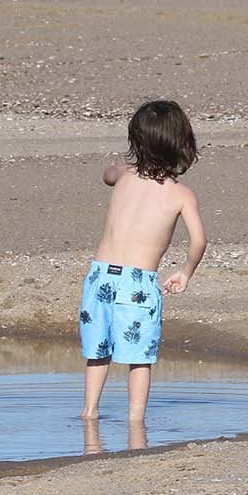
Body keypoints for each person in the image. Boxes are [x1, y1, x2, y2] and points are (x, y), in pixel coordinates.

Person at [78, 99, 207, 426]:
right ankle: (136, 424)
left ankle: (89, 412)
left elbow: (107, 174)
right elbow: (199, 241)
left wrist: (115, 167)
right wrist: (185, 271)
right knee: (139, 359)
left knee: (98, 351)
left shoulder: (124, 174)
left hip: (100, 276)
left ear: (136, 140)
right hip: (138, 283)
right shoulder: (180, 194)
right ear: (182, 144)